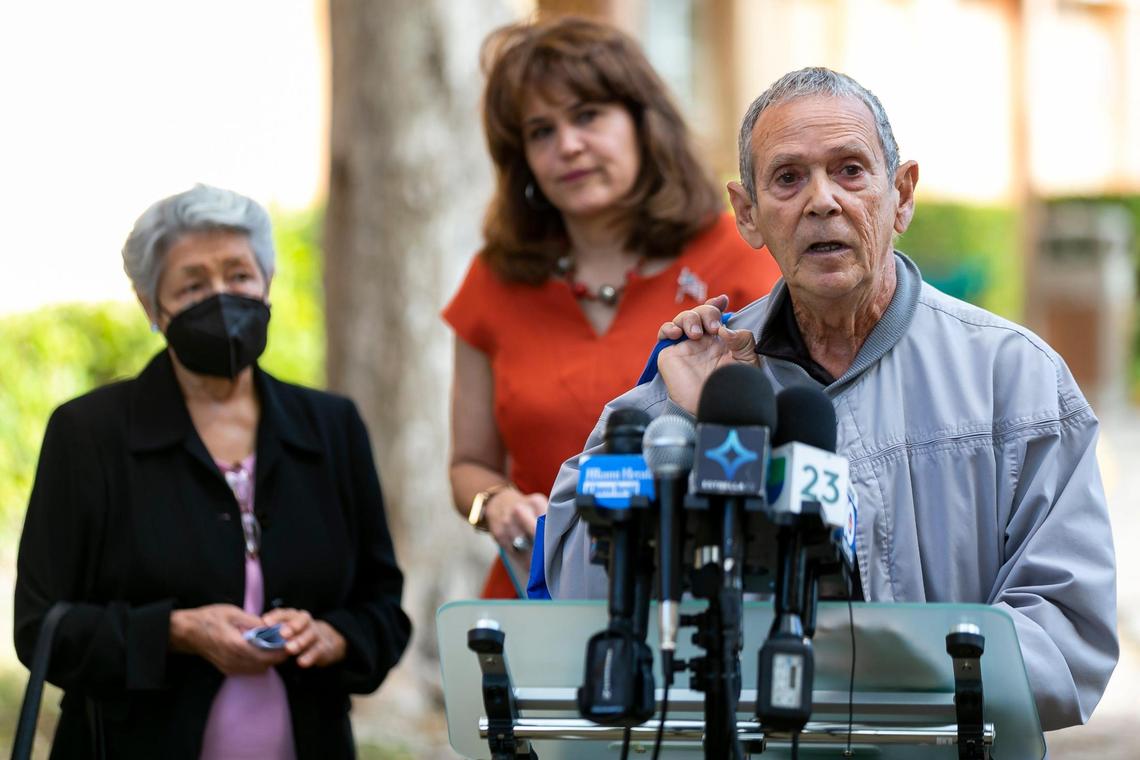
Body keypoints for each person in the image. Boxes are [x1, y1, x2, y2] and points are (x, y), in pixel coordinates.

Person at [542, 68, 1117, 730]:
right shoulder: (693, 375)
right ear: (748, 213)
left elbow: (1068, 633)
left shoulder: (1015, 381)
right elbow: (578, 593)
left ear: (901, 196)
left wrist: (876, 674)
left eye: (849, 171)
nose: (822, 201)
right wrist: (705, 421)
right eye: (787, 178)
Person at [14, 185, 412, 758]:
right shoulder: (89, 434)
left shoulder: (331, 426)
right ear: (154, 308)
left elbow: (383, 608)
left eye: (239, 276)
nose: (222, 297)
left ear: (268, 285)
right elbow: (40, 626)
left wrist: (334, 637)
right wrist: (176, 632)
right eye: (194, 285)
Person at [444, 16, 781, 598]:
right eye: (540, 131)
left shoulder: (741, 258)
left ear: (642, 123)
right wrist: (492, 505)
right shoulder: (494, 280)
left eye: (587, 115)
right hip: (537, 597)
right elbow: (468, 464)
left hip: (701, 600)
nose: (567, 145)